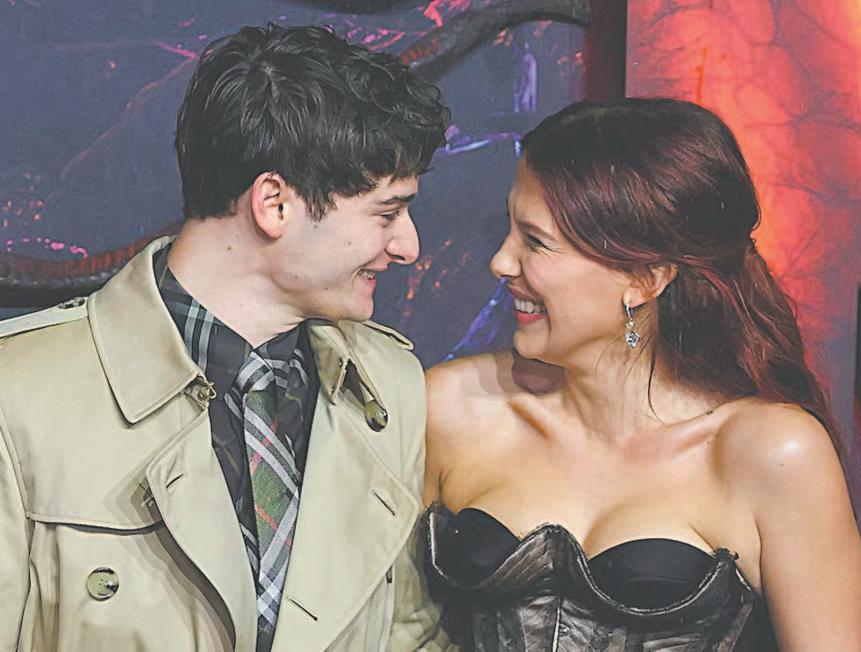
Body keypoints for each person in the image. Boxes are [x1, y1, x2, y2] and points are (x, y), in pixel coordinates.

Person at [0, 24, 451, 651]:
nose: (408, 246)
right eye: (387, 212)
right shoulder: (17, 397)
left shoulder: (390, 387)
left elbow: (409, 634)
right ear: (274, 204)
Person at [423, 98, 861, 650]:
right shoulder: (452, 405)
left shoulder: (772, 451)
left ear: (644, 280)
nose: (502, 262)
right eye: (510, 230)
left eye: (535, 241)